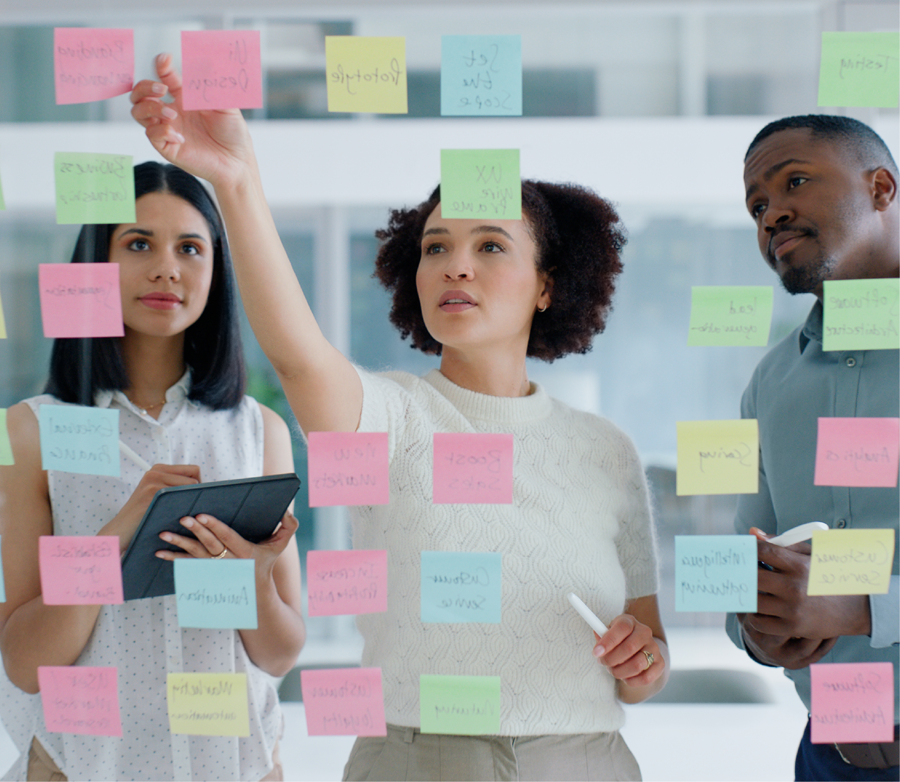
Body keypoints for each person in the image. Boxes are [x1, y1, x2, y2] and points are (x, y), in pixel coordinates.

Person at [131, 53, 670, 782]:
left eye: (490, 246)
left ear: (548, 286)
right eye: (436, 247)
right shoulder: (393, 418)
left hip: (586, 759)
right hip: (417, 760)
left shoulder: (606, 448)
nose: (456, 265)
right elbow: (295, 355)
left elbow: (643, 668)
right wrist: (234, 179)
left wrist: (644, 657)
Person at [0, 162, 306, 782]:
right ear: (94, 264)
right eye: (138, 243)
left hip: (238, 765)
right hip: (82, 767)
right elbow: (26, 661)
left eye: (190, 248)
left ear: (216, 271)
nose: (167, 267)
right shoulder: (29, 431)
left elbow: (278, 655)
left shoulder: (258, 431)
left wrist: (251, 580)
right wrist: (116, 537)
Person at [728, 115, 899, 781]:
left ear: (881, 188)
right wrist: (763, 631)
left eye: (794, 181)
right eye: (758, 205)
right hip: (831, 758)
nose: (772, 215)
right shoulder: (771, 383)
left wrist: (860, 608)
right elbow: (757, 565)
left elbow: (842, 602)